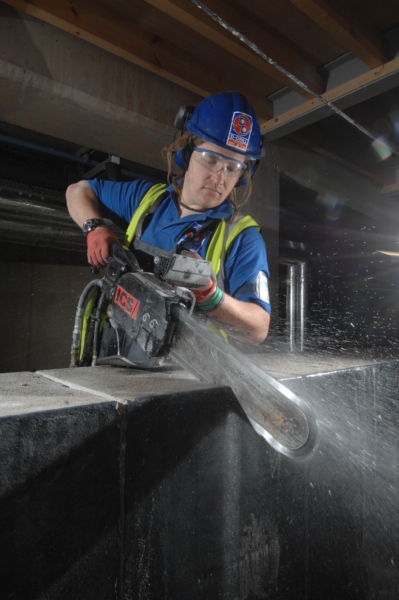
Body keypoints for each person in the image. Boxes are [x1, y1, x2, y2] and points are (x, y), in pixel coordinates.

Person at [66, 91, 271, 345]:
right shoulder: (148, 200)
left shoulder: (242, 237)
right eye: (211, 159)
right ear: (186, 152)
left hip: (183, 377)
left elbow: (258, 329)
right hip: (113, 354)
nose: (219, 178)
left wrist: (211, 297)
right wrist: (93, 227)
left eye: (232, 168)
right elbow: (78, 191)